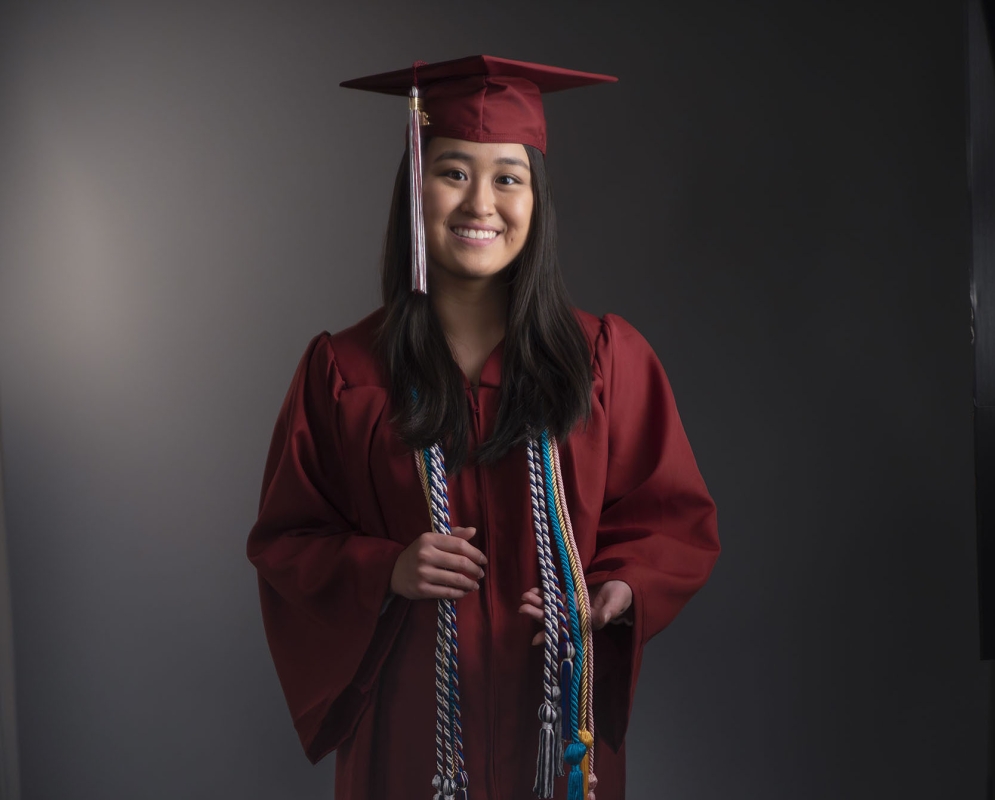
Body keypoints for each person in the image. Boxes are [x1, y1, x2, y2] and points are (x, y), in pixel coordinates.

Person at [246, 55, 719, 800]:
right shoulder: (343, 370)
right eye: (453, 172)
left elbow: (671, 521)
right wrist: (387, 569)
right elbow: (287, 542)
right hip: (410, 744)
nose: (480, 204)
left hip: (555, 733)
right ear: (415, 190)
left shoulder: (603, 360)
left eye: (507, 177)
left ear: (537, 201)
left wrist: (617, 591)